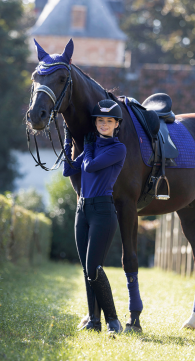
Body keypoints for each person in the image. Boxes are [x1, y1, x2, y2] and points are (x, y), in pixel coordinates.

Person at [63, 99, 126, 335]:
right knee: (86, 269)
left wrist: (86, 149)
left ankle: (113, 321)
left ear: (116, 124)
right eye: (100, 120)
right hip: (83, 210)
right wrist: (69, 141)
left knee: (94, 268)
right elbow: (69, 170)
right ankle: (93, 320)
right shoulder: (91, 146)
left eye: (109, 121)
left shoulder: (117, 149)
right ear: (95, 122)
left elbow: (89, 167)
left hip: (102, 211)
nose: (104, 124)